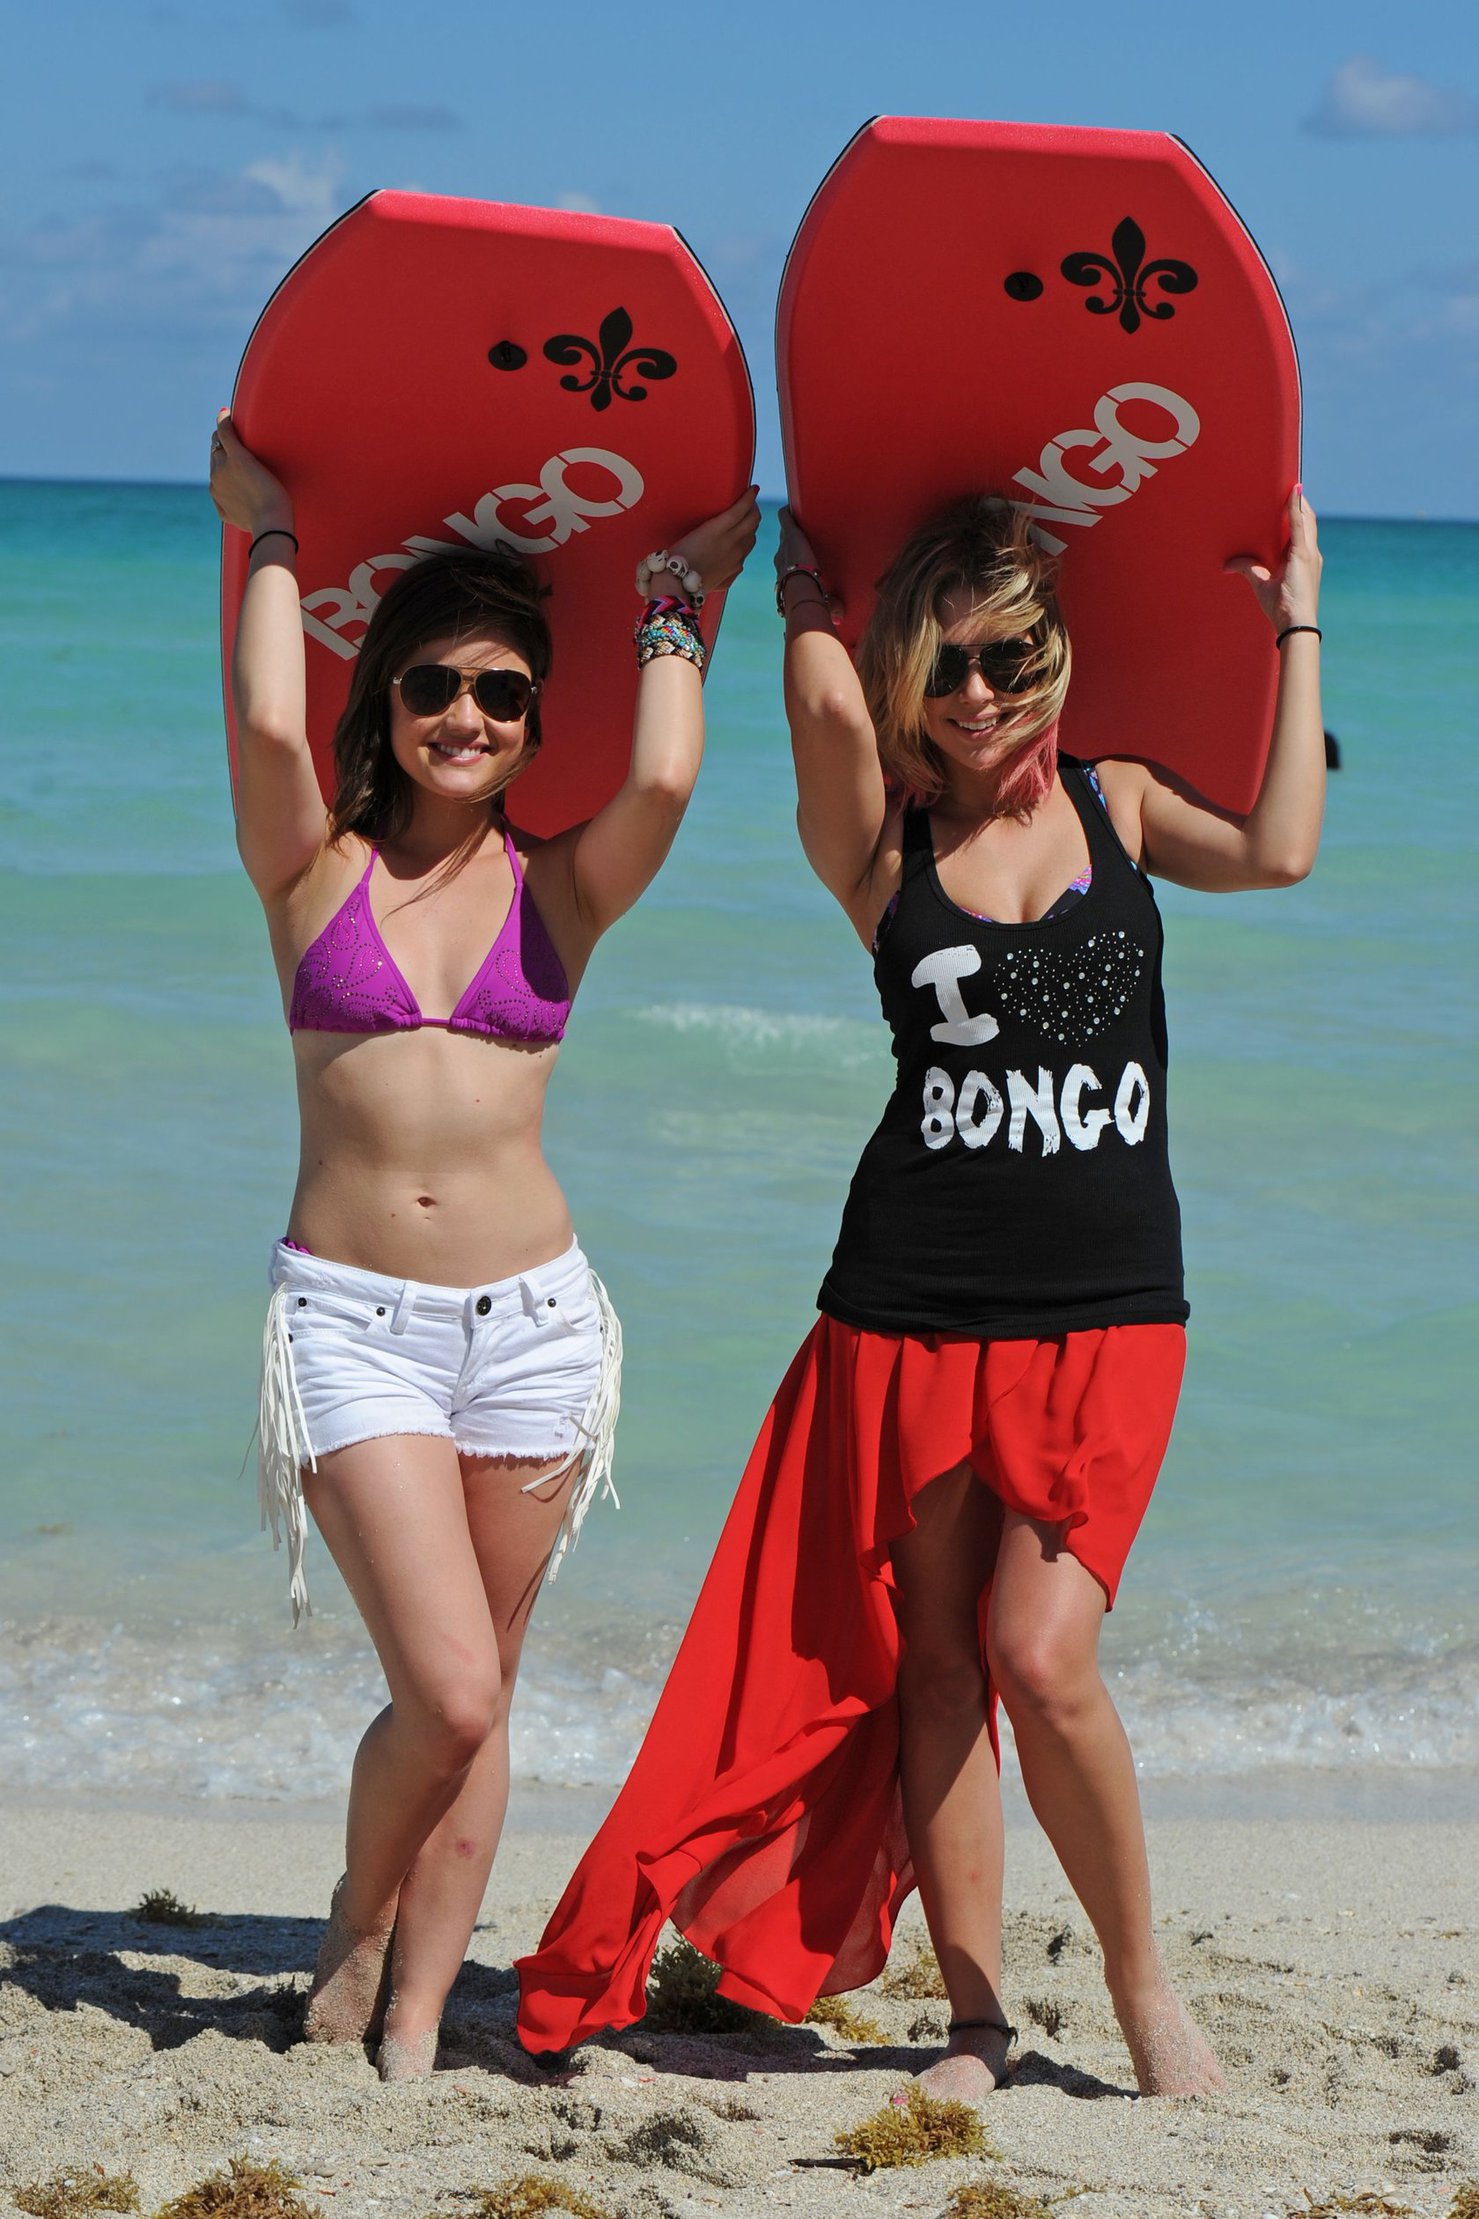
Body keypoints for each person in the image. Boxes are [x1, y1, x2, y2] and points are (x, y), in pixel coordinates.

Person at [515, 486, 1323, 2100]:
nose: (976, 691)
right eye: (942, 666)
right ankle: (975, 2027)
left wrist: (1298, 612)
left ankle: (1147, 1995)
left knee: (1041, 1652)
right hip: (911, 1297)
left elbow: (1289, 847)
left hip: (1111, 1309)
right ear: (904, 682)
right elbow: (824, 703)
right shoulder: (882, 845)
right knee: (939, 1665)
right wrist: (809, 599)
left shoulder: (1126, 807)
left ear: (1055, 650)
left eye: (1007, 654)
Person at [209, 409, 758, 2080]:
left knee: (491, 1692)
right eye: (437, 683)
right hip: (351, 1326)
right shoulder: (309, 872)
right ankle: (358, 1918)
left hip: (535, 1326)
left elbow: (665, 769)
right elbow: (258, 715)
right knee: (444, 1695)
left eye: (504, 695)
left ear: (532, 729)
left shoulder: (560, 894)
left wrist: (678, 602)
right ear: (387, 695)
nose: (467, 715)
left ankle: (420, 2024)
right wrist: (266, 535)